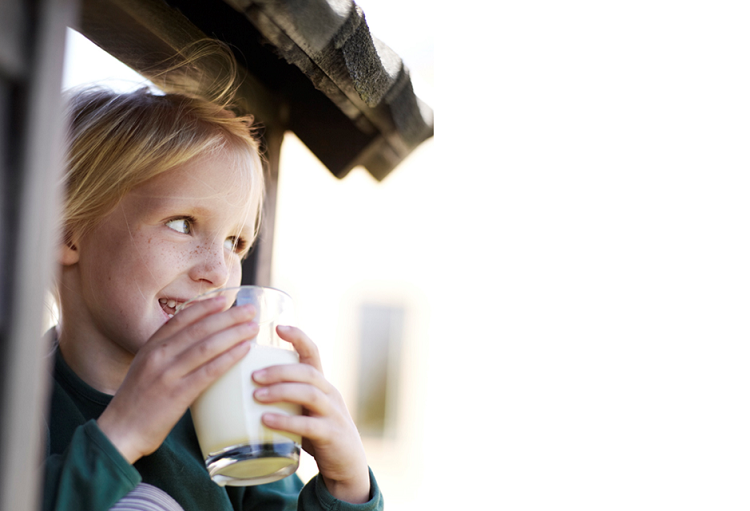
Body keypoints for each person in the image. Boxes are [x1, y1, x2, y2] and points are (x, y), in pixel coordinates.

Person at [43, 42, 383, 511]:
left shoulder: (233, 410)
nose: (217, 271)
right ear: (68, 233)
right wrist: (122, 435)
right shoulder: (20, 397)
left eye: (236, 243)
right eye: (182, 224)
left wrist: (347, 486)